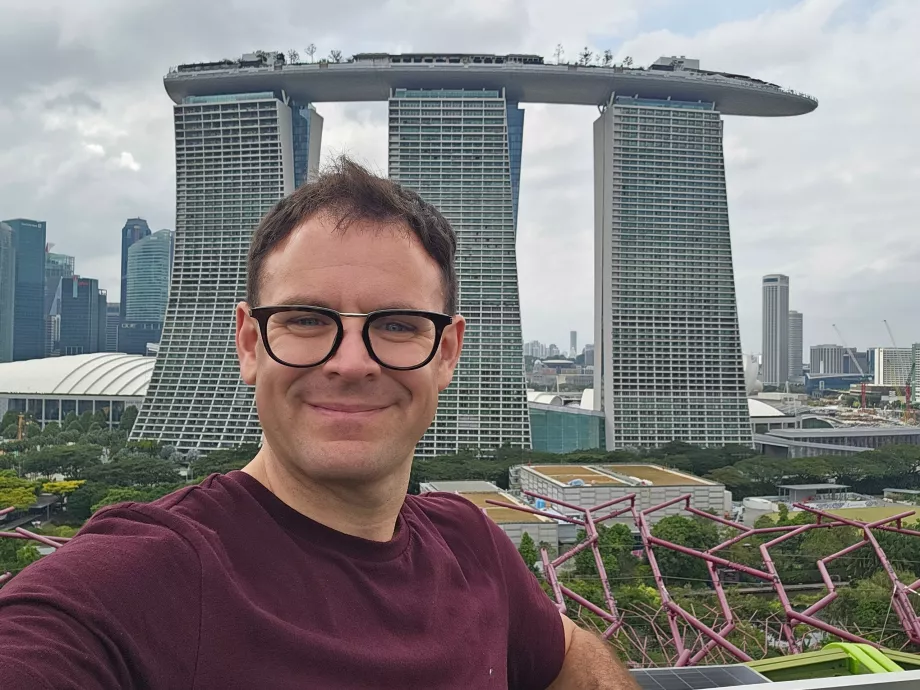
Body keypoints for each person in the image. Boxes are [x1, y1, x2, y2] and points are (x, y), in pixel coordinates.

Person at [0, 158, 637, 689]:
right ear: (249, 342)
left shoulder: (469, 543)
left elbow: (575, 661)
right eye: (307, 321)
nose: (352, 363)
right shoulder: (147, 579)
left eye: (397, 325)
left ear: (446, 353)